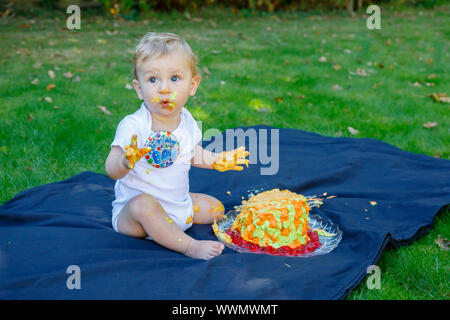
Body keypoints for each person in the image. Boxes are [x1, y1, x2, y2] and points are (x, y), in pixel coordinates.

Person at [105, 32, 249, 260]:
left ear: (192, 85)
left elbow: (192, 153)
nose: (164, 88)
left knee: (217, 209)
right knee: (145, 205)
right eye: (153, 80)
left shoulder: (187, 121)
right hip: (135, 217)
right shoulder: (134, 125)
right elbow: (111, 168)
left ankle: (176, 211)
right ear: (139, 88)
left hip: (174, 204)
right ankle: (189, 246)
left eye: (174, 78)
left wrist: (216, 160)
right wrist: (125, 162)